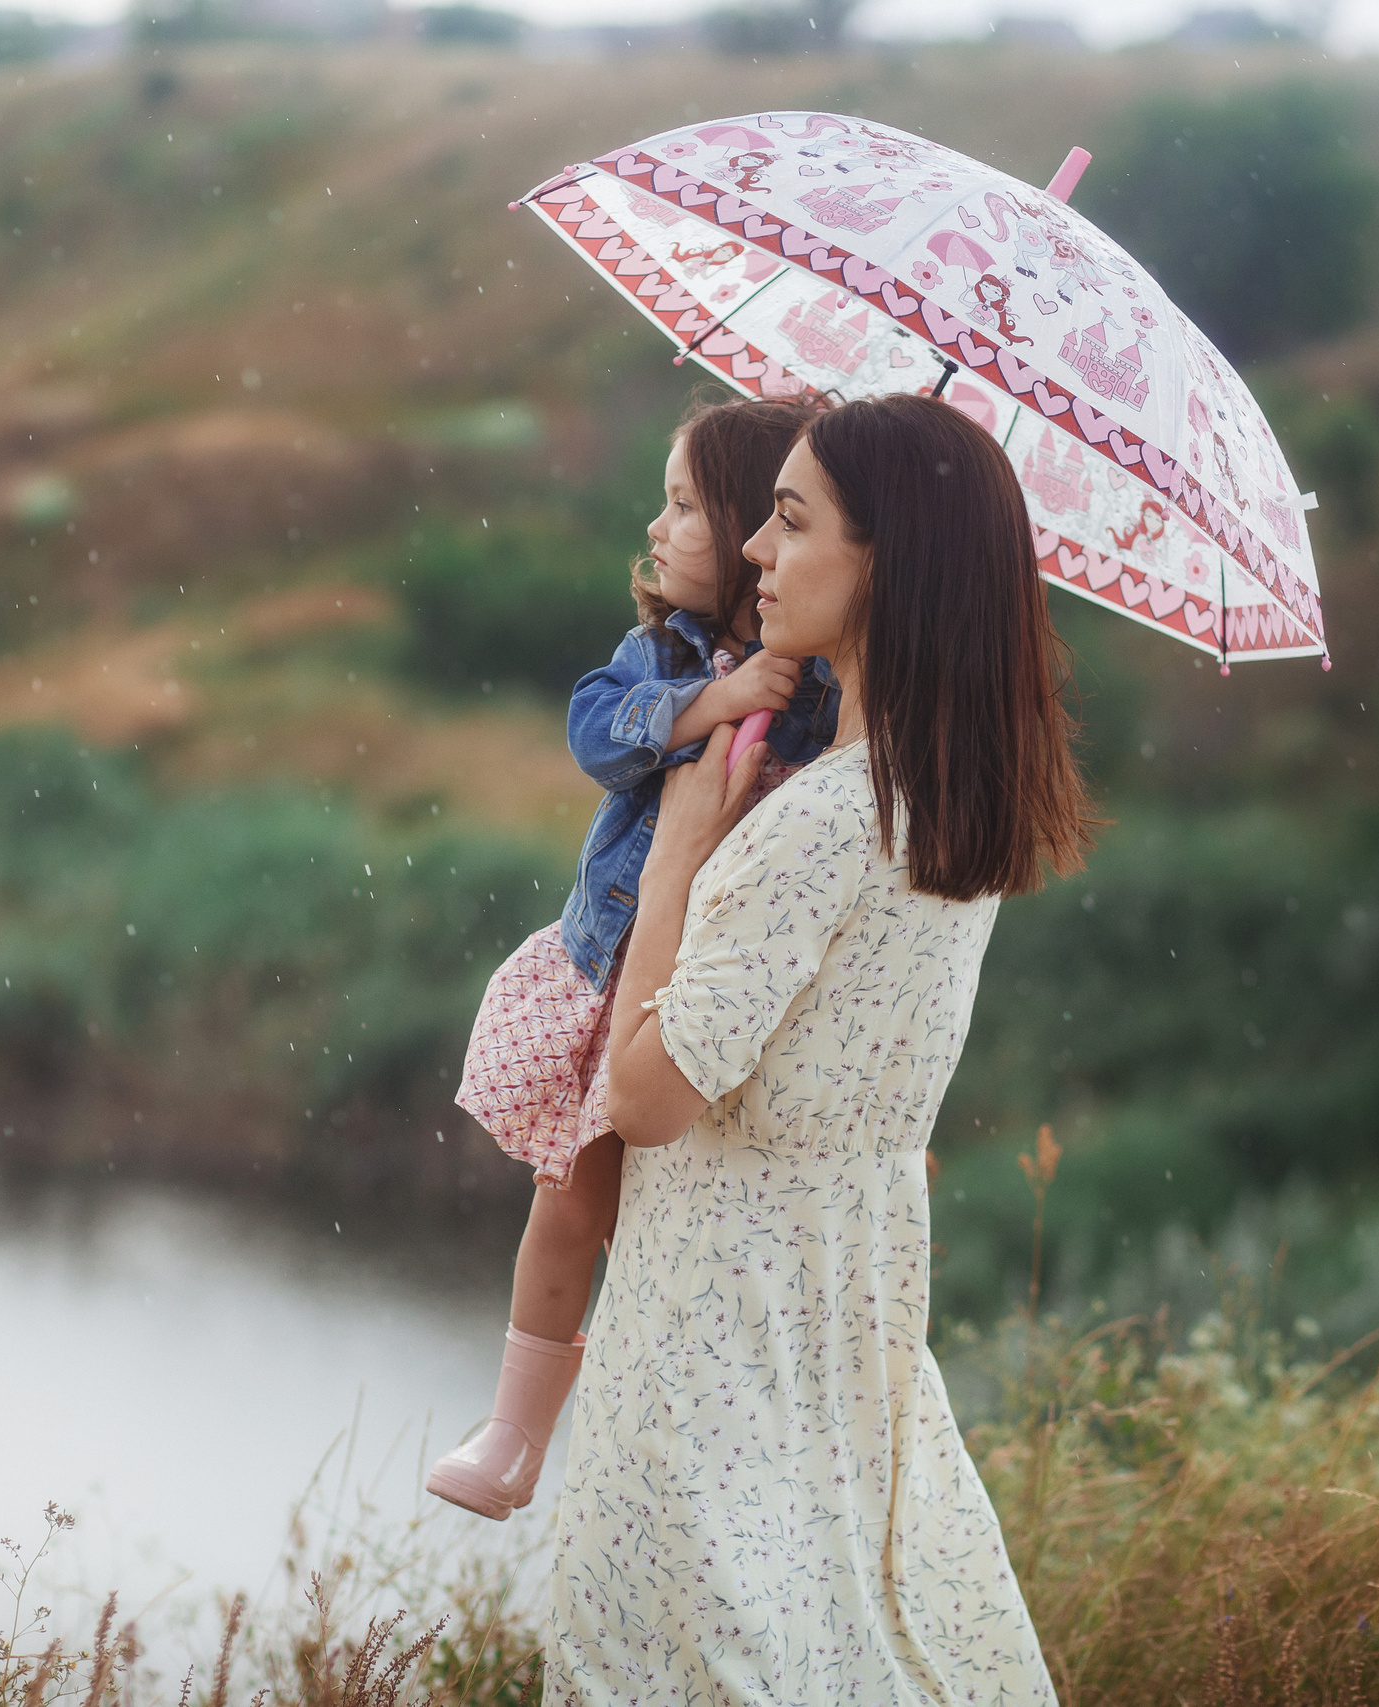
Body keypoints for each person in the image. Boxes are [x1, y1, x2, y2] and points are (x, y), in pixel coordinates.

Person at [548, 392, 1097, 1701]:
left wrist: (676, 859)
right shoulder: (944, 814)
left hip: (714, 1333)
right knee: (850, 1641)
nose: (753, 548)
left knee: (681, 1660)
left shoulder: (818, 826)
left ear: (884, 566)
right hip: (845, 1316)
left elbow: (645, 1098)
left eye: (791, 522)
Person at [429, 395, 841, 1522]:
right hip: (614, 976)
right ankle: (516, 1434)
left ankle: (687, 1447)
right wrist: (715, 699)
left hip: (719, 1004)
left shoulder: (830, 680)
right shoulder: (660, 651)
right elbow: (595, 735)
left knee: (686, 1232)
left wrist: (793, 695)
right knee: (572, 1204)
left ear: (757, 524)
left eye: (683, 506)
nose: (657, 529)